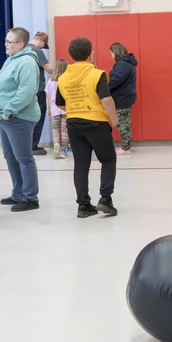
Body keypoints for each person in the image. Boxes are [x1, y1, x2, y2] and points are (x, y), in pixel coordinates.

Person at [55, 37, 119, 218]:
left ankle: (83, 206)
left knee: (81, 165)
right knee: (107, 160)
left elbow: (60, 104)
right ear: (90, 54)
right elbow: (106, 99)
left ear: (71, 55)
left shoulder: (63, 77)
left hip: (74, 124)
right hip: (96, 123)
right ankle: (105, 199)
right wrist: (113, 119)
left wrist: (76, 108)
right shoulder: (97, 74)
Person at [0, 27, 41, 212]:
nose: (5, 44)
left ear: (21, 44)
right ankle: (18, 193)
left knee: (24, 158)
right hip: (6, 118)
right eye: (6, 41)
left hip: (18, 117)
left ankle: (30, 198)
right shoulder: (12, 60)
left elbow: (26, 91)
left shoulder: (26, 62)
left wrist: (9, 110)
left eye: (9, 42)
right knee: (10, 156)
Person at [108, 42, 138, 154]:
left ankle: (125, 148)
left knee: (122, 123)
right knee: (125, 122)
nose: (111, 55)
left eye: (111, 52)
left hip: (122, 97)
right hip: (126, 96)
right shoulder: (126, 63)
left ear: (115, 52)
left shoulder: (122, 64)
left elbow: (116, 79)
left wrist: (105, 87)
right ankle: (127, 146)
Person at [26, 30, 51, 155]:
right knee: (38, 118)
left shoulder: (24, 49)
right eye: (44, 44)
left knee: (29, 118)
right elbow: (50, 69)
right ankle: (33, 146)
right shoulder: (37, 51)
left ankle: (27, 145)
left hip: (27, 89)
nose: (43, 48)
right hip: (38, 90)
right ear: (41, 40)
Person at [46, 58, 70, 159]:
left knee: (55, 129)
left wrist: (48, 109)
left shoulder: (51, 81)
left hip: (54, 108)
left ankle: (56, 144)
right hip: (65, 108)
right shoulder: (68, 80)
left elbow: (48, 96)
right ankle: (63, 150)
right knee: (65, 130)